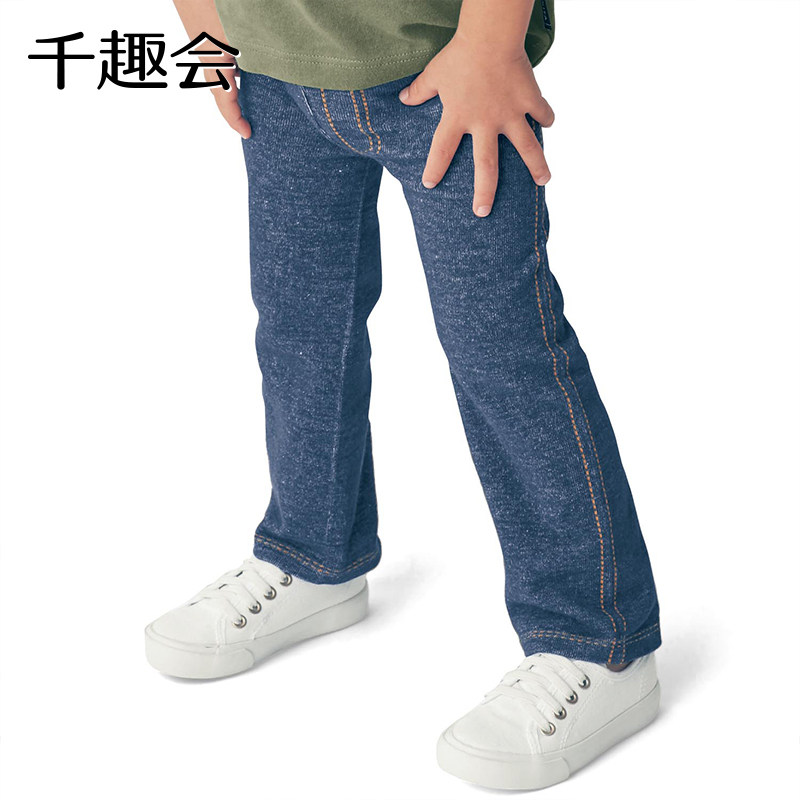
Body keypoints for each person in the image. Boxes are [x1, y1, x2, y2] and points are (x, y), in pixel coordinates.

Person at [145, 0, 662, 790]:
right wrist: (208, 28)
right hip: (273, 64)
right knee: (300, 324)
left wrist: (489, 41)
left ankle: (596, 637)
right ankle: (311, 554)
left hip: (445, 65)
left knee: (502, 349)